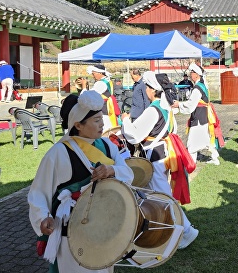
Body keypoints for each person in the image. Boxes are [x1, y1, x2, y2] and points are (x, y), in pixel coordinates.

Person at [27, 90, 133, 273]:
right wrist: (43, 218)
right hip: (72, 231)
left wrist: (112, 171)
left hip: (103, 228)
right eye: (95, 120)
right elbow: (39, 192)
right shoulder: (58, 153)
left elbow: (128, 173)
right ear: (78, 124)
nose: (102, 124)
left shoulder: (107, 146)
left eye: (101, 119)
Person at [121, 71, 199, 247]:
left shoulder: (153, 109)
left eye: (146, 87)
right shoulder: (165, 106)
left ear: (151, 89)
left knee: (163, 197)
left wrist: (126, 120)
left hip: (155, 156)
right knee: (155, 195)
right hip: (161, 153)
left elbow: (134, 135)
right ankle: (156, 226)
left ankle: (186, 230)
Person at [174, 63, 221, 166]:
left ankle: (191, 164)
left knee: (192, 143)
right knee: (206, 139)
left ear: (196, 74)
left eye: (192, 72)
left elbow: (190, 105)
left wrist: (178, 104)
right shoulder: (202, 85)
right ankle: (215, 158)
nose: (190, 74)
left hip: (199, 117)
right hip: (204, 115)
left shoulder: (197, 88)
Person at [80, 64, 117, 131]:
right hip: (107, 108)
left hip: (103, 110)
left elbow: (88, 97)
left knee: (105, 129)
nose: (93, 75)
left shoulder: (101, 83)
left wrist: (84, 86)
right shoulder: (108, 81)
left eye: (93, 73)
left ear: (100, 73)